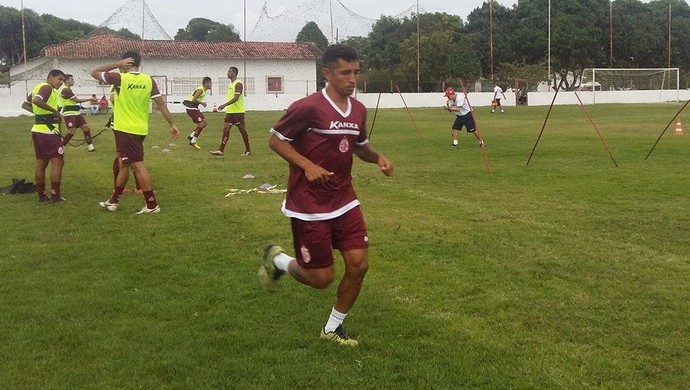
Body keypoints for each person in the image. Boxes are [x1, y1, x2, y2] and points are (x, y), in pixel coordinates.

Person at [258, 44, 394, 347]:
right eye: (345, 73)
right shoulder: (307, 107)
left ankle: (332, 328)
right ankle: (278, 260)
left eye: (356, 72)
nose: (352, 79)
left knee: (359, 265)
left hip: (344, 199)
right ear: (327, 73)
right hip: (309, 205)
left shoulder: (358, 109)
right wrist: (307, 165)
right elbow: (276, 141)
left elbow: (359, 146)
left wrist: (378, 158)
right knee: (321, 279)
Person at [90, 50, 179, 214]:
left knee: (137, 165)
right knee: (124, 163)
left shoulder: (120, 78)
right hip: (139, 129)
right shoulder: (148, 80)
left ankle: (152, 204)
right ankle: (113, 201)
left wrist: (117, 64)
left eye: (122, 62)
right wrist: (172, 123)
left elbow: (94, 72)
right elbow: (160, 104)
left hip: (126, 129)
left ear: (126, 63)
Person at [20, 69, 66, 203]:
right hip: (48, 131)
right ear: (50, 77)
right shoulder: (47, 88)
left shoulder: (38, 87)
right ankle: (55, 195)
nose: (61, 82)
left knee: (41, 163)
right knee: (58, 161)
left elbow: (25, 104)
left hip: (37, 129)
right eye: (59, 79)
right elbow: (36, 100)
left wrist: (41, 116)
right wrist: (55, 112)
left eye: (62, 80)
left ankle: (42, 196)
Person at [210, 66, 251, 156]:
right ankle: (221, 150)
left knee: (242, 130)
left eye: (229, 72)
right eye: (228, 72)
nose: (227, 73)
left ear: (234, 73)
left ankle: (248, 150)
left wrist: (224, 105)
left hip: (238, 112)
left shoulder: (238, 84)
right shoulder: (231, 84)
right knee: (226, 129)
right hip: (230, 112)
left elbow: (236, 98)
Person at [58, 74, 96, 151]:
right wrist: (90, 99)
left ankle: (90, 147)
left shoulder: (68, 89)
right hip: (69, 114)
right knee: (72, 132)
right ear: (67, 80)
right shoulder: (65, 90)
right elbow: (77, 100)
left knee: (86, 127)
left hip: (76, 113)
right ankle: (61, 146)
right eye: (72, 79)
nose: (73, 81)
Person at [185, 77, 212, 149]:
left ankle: (191, 135)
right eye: (210, 83)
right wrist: (202, 103)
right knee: (201, 124)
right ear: (206, 83)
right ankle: (193, 141)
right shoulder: (200, 90)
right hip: (192, 109)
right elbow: (194, 99)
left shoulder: (203, 90)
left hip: (195, 108)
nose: (211, 85)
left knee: (204, 123)